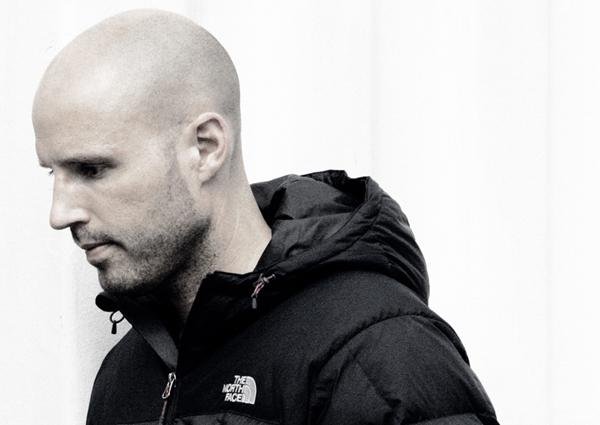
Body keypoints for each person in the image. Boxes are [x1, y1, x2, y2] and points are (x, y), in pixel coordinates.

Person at [33, 9, 499, 425]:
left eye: (92, 169)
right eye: (55, 173)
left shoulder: (377, 354)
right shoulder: (126, 374)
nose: (59, 213)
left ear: (205, 149)